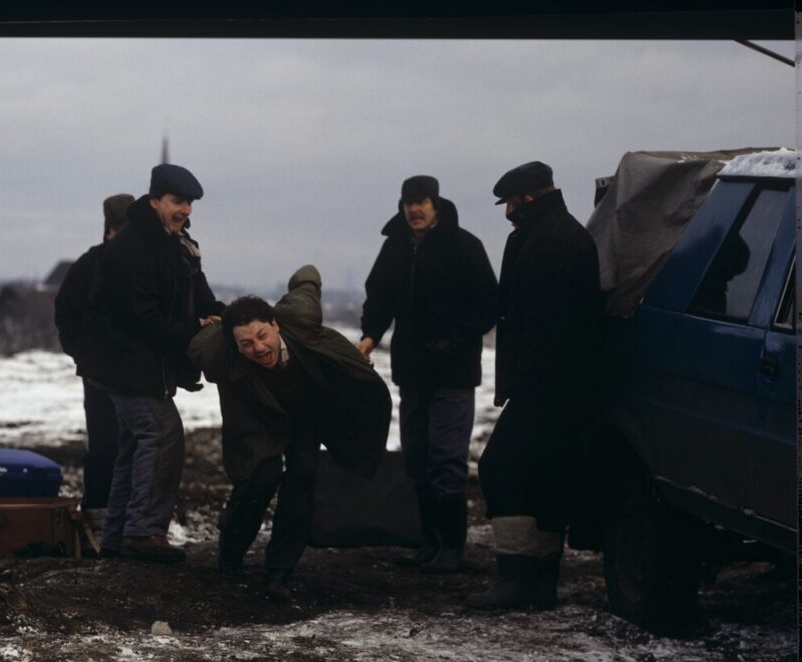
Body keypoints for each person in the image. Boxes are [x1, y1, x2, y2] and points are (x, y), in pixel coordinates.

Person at [188, 266, 391, 601]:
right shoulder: (218, 352)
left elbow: (307, 278)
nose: (258, 348)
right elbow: (194, 343)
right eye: (246, 344)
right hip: (258, 421)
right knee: (261, 477)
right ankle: (232, 554)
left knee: (303, 477)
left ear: (275, 324)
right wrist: (206, 322)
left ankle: (281, 570)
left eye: (262, 336)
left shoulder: (298, 316)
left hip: (305, 416)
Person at [466, 161, 602, 611]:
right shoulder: (554, 235)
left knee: (501, 467)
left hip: (548, 385)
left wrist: (528, 386)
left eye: (509, 203)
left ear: (527, 199)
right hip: (560, 385)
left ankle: (517, 577)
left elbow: (547, 328)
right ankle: (540, 580)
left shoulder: (553, 243)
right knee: (546, 475)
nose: (506, 212)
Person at [81, 164, 224, 563]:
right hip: (125, 367)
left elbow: (198, 291)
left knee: (133, 448)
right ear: (156, 200)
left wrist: (222, 315)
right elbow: (139, 318)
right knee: (162, 436)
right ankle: (143, 533)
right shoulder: (133, 247)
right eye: (178, 202)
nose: (186, 210)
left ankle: (115, 539)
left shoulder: (176, 244)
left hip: (142, 368)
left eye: (190, 203)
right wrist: (194, 330)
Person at [357, 175, 498, 574]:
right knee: (417, 459)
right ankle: (429, 542)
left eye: (420, 202)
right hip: (412, 372)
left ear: (436, 204)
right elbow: (379, 296)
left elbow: (489, 302)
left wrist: (453, 342)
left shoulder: (464, 246)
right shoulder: (395, 247)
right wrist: (369, 336)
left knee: (446, 459)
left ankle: (453, 548)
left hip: (453, 373)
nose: (413, 210)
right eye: (407, 203)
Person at [54, 193, 134, 514]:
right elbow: (66, 314)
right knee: (104, 446)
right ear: (110, 231)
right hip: (100, 374)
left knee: (139, 446)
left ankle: (129, 518)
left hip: (137, 372)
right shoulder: (90, 265)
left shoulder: (143, 264)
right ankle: (99, 515)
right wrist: (85, 357)